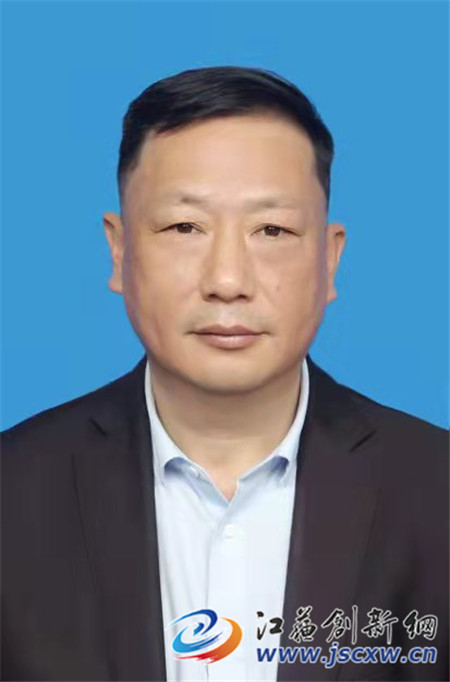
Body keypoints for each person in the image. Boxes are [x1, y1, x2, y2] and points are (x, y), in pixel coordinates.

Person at [1, 66, 447, 682]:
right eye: (185, 227)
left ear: (330, 258)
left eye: (272, 229)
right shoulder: (14, 491)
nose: (228, 281)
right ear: (119, 250)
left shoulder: (434, 489)